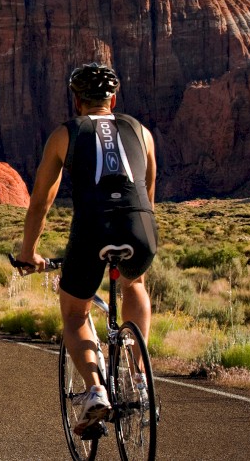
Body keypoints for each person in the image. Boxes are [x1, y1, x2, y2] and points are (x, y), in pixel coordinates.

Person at [16, 62, 158, 434]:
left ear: (76, 100)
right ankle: (140, 381)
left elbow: (40, 203)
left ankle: (96, 392)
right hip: (140, 226)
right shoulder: (142, 132)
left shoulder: (65, 134)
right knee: (135, 284)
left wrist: (28, 252)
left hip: (92, 228)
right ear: (114, 98)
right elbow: (148, 193)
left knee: (76, 315)